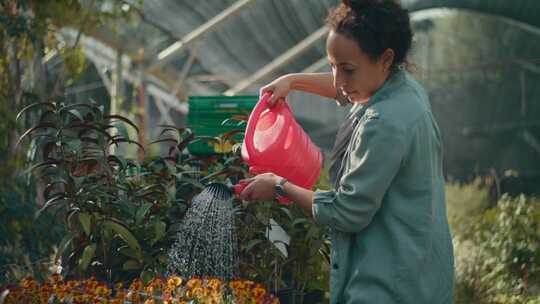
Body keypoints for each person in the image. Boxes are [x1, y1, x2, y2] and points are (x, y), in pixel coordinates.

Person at [238, 0, 454, 303]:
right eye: (332, 66)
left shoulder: (383, 123)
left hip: (387, 283)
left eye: (347, 69)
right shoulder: (401, 89)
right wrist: (292, 81)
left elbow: (346, 212)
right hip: (419, 272)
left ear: (385, 58)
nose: (339, 81)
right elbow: (347, 86)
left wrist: (277, 185)